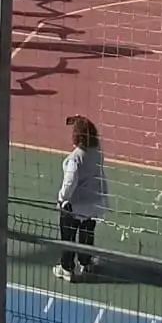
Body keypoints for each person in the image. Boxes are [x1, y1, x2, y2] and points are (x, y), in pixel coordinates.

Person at [53, 115, 110, 283]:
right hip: (93, 203)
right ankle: (86, 262)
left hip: (74, 206)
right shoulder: (97, 151)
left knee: (68, 237)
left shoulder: (75, 158)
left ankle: (67, 268)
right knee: (87, 233)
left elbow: (69, 182)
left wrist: (61, 199)